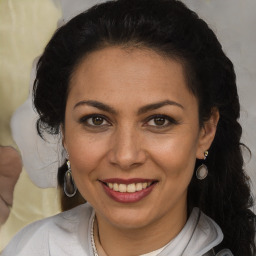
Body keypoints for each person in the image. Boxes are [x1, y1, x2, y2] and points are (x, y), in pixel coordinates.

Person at [1, 0, 255, 255]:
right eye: (96, 120)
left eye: (159, 120)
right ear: (65, 132)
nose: (125, 156)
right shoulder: (29, 246)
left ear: (205, 131)